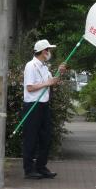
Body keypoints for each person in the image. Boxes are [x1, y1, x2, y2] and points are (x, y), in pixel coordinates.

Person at [22, 39, 66, 179]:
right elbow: (29, 87)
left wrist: (59, 73)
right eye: (48, 50)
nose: (50, 52)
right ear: (42, 51)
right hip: (32, 105)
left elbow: (52, 82)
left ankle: (41, 167)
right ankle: (29, 170)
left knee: (46, 137)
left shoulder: (44, 67)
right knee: (31, 138)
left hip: (44, 105)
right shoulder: (31, 66)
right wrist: (46, 83)